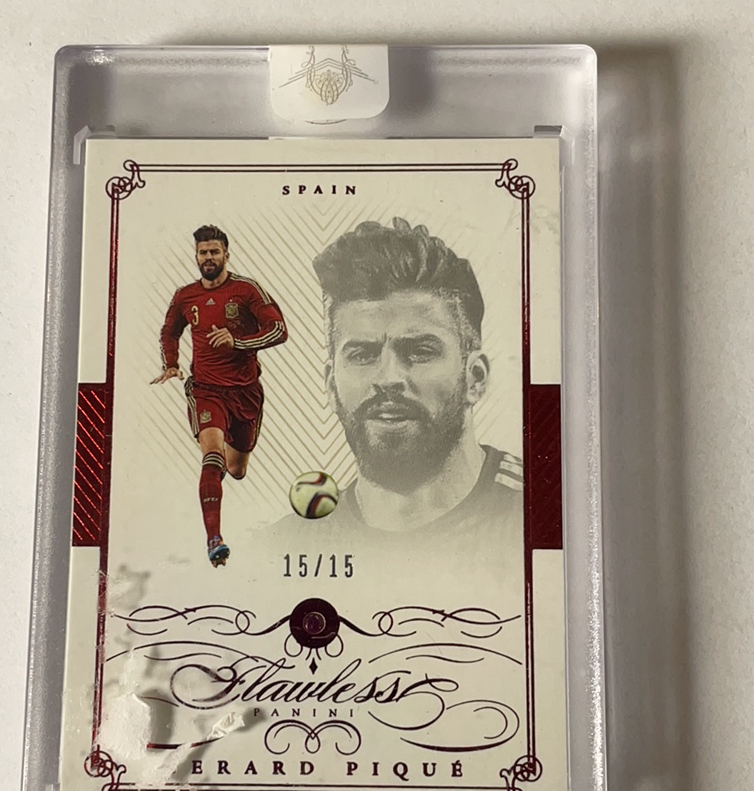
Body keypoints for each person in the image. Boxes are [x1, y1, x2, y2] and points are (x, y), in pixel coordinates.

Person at [268, 217, 522, 576]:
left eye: (419, 351)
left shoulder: (540, 515)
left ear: (475, 378)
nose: (388, 378)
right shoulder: (281, 547)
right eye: (362, 354)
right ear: (331, 385)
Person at [153, 225, 288, 567]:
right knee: (212, 456)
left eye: (214, 252)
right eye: (203, 252)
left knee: (236, 469)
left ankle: (219, 473)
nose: (208, 258)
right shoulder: (185, 296)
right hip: (206, 390)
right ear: (196, 256)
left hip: (245, 392)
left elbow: (278, 330)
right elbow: (170, 331)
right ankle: (214, 538)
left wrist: (237, 341)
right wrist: (172, 364)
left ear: (227, 254)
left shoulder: (246, 290)